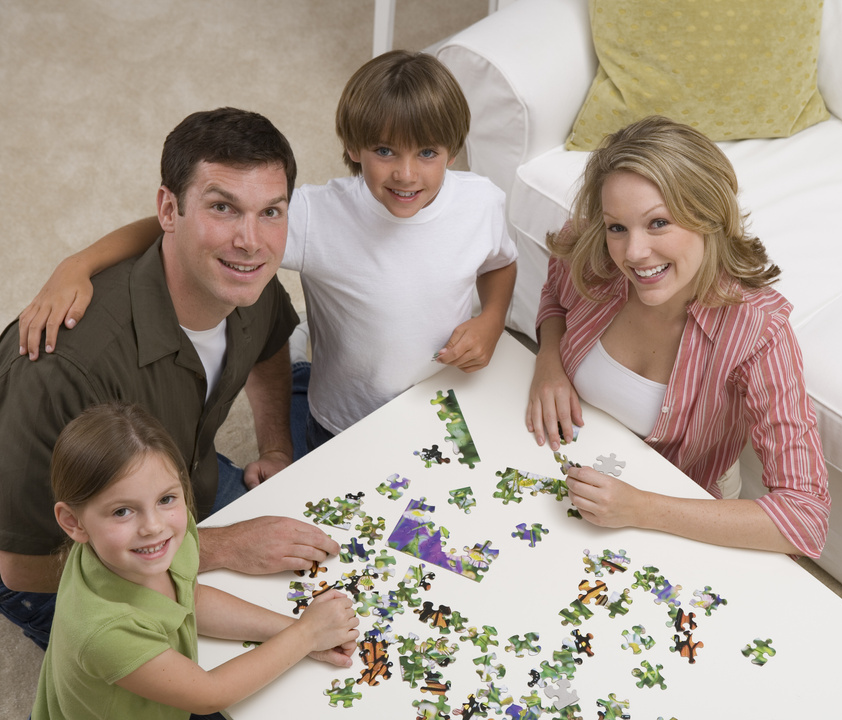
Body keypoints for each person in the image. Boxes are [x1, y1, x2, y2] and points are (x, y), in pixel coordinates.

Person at [18, 50, 518, 455]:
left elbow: (501, 263)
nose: (406, 174)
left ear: (453, 150)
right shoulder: (315, 215)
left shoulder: (481, 203)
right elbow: (179, 226)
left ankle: (297, 355)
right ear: (353, 148)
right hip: (340, 417)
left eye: (427, 153)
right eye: (385, 151)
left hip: (440, 399)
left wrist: (492, 319)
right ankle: (299, 366)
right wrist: (77, 264)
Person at [0, 108, 339, 649]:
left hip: (185, 482)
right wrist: (222, 546)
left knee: (319, 565)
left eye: (270, 212)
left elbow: (271, 342)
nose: (251, 241)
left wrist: (276, 446)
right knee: (218, 680)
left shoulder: (247, 281)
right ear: (168, 209)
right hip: (66, 563)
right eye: (223, 207)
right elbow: (21, 567)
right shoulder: (64, 373)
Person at [526, 116, 830, 558]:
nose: (633, 253)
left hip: (675, 508)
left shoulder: (760, 333)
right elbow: (556, 293)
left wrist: (641, 508)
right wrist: (549, 362)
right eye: (617, 227)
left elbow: (806, 518)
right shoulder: (594, 248)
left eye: (658, 223)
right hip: (574, 473)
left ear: (708, 217)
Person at [34, 402, 359, 720]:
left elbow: (190, 598)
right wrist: (305, 635)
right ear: (73, 522)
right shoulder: (105, 631)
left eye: (166, 498)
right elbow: (211, 695)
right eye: (122, 511)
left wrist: (302, 633)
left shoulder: (160, 537)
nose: (153, 526)